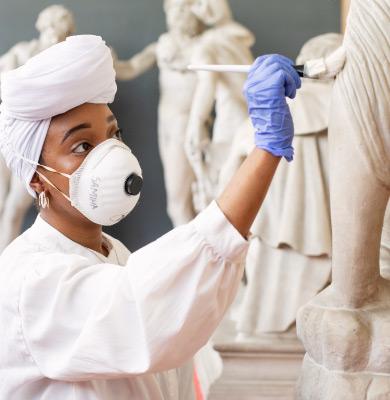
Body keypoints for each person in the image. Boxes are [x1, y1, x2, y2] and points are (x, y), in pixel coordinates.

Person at [0, 35, 301, 400]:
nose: (111, 154)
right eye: (82, 146)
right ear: (36, 176)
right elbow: (143, 314)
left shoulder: (116, 257)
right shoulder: (28, 281)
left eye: (114, 134)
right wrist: (264, 148)